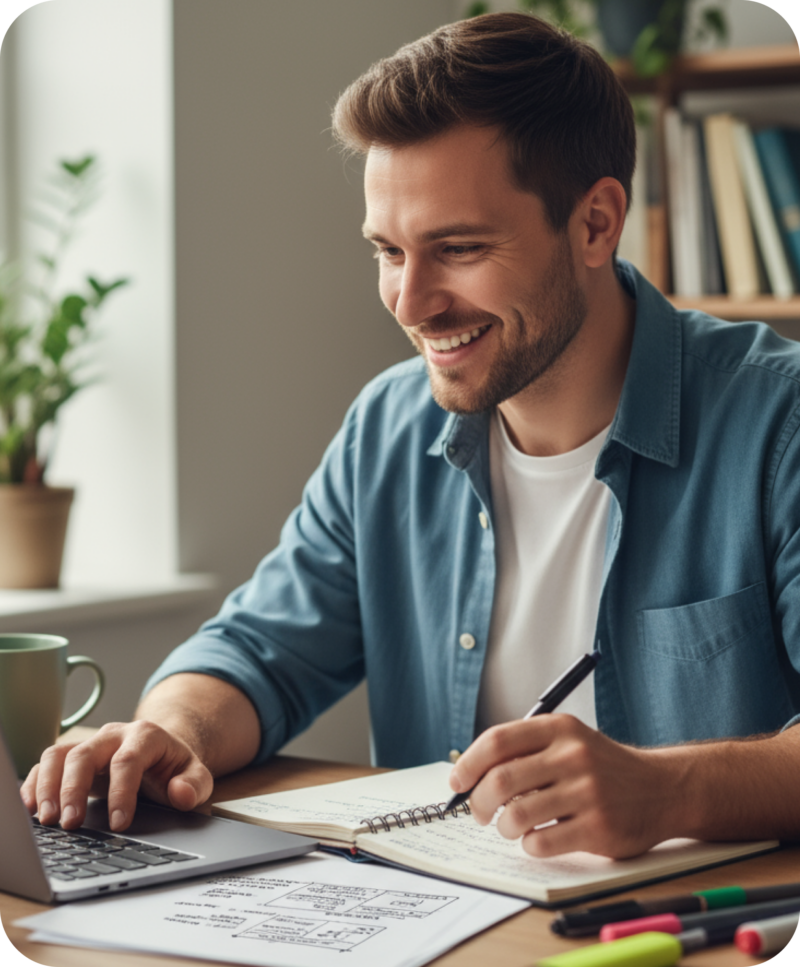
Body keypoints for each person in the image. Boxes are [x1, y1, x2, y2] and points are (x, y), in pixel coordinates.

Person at [21, 11, 800, 860]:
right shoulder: (389, 428)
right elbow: (258, 650)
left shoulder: (777, 422)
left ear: (595, 223)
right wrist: (167, 733)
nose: (411, 300)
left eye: (458, 248)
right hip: (448, 925)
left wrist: (667, 789)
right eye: (388, 251)